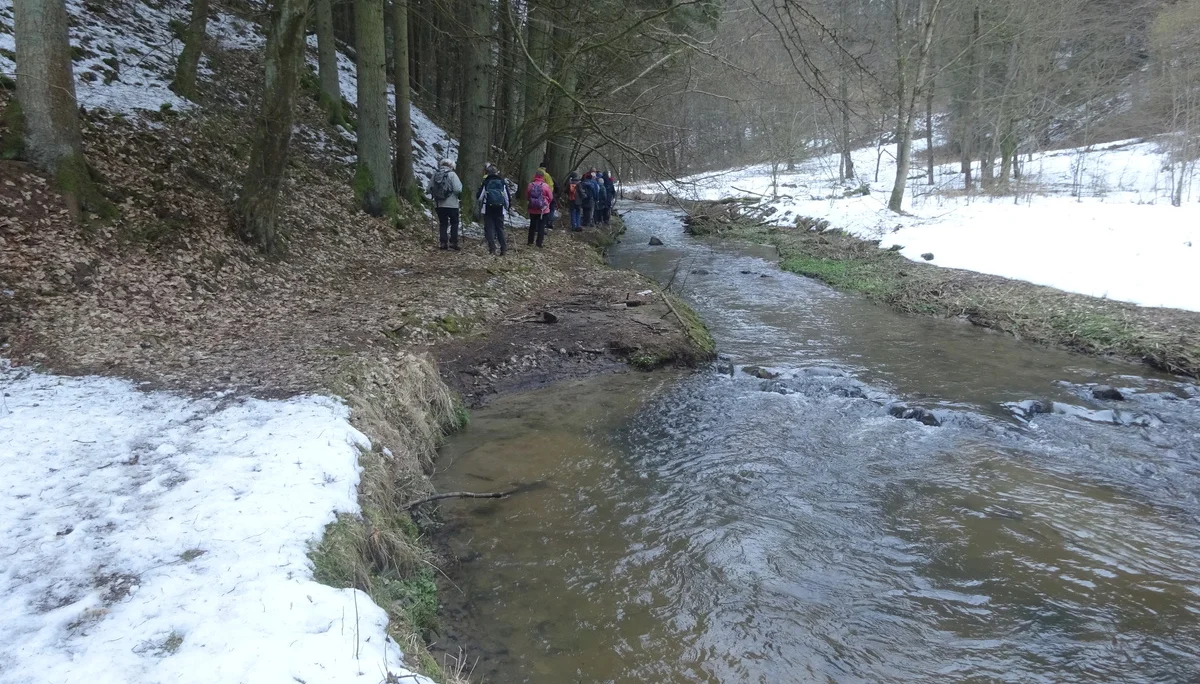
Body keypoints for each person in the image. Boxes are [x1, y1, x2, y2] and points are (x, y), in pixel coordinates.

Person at [428, 159, 463, 250]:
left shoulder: (435, 174)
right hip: (452, 204)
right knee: (454, 222)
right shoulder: (452, 175)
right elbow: (458, 189)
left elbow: (429, 189)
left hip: (439, 204)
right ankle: (453, 242)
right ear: (451, 166)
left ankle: (443, 243)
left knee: (443, 223)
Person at [476, 164, 510, 255]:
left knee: (489, 228)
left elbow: (479, 197)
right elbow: (506, 196)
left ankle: (492, 249)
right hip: (500, 208)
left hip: (488, 208)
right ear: (496, 172)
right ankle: (503, 248)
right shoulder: (502, 182)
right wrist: (507, 207)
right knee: (500, 228)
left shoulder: (486, 182)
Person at [525, 170, 553, 248]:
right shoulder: (545, 186)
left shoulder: (530, 185)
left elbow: (527, 196)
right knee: (541, 225)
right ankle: (539, 243)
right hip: (543, 210)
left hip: (532, 208)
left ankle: (530, 241)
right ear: (543, 177)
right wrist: (547, 203)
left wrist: (531, 202)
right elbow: (550, 197)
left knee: (532, 225)